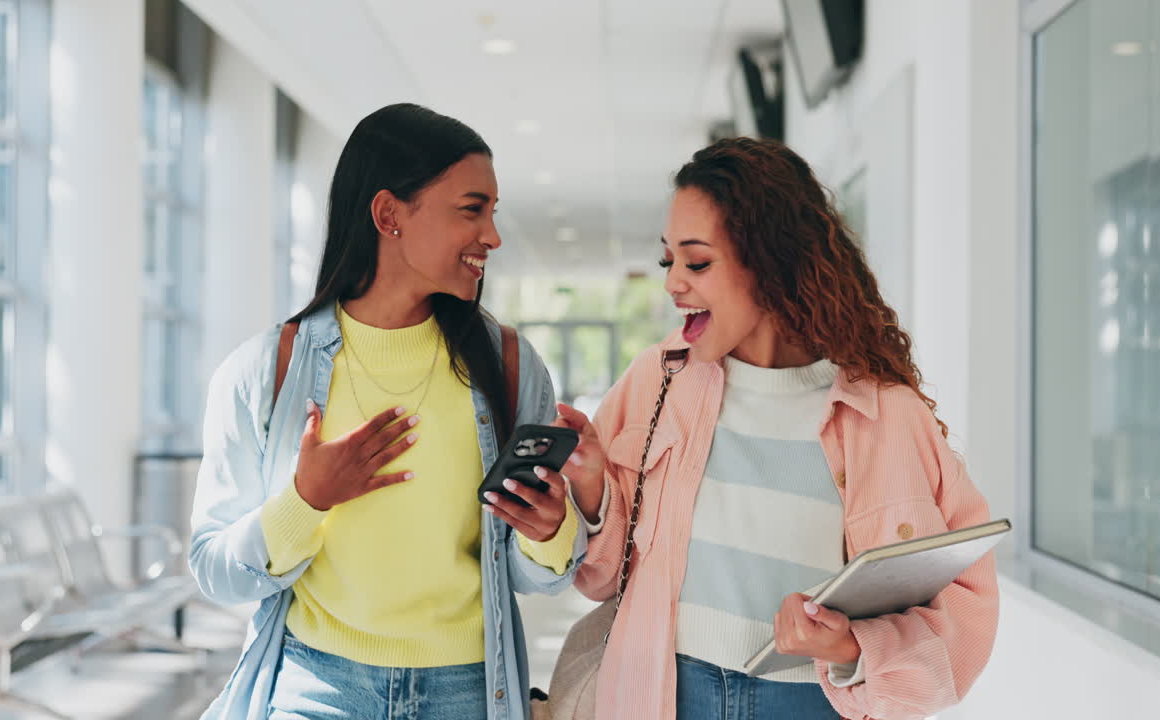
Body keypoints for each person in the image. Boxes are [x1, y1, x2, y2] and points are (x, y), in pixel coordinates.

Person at [548, 137, 999, 719]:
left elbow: (967, 607)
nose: (673, 283)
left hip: (813, 703)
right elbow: (604, 576)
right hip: (662, 692)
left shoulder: (886, 414)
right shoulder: (655, 382)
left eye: (698, 261)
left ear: (770, 261)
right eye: (669, 260)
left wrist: (850, 648)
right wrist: (588, 491)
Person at [188, 103, 587, 720]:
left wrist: (549, 531)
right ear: (388, 215)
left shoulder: (510, 365)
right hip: (314, 688)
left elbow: (536, 578)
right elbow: (215, 571)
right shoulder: (263, 371)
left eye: (492, 212)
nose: (493, 236)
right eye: (471, 209)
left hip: (467, 692)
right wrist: (305, 500)